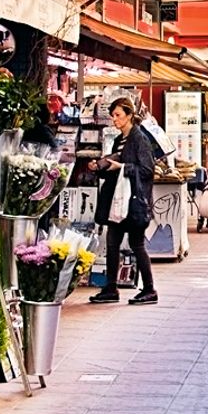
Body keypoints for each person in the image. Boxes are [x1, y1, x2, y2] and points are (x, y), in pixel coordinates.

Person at [89, 97, 158, 306]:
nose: (114, 119)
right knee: (112, 244)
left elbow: (147, 170)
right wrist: (100, 166)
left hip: (134, 201)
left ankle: (149, 289)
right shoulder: (119, 139)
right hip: (117, 202)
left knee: (137, 245)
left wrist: (122, 168)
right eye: (113, 115)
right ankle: (111, 288)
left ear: (129, 115)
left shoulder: (140, 139)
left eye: (118, 115)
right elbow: (116, 162)